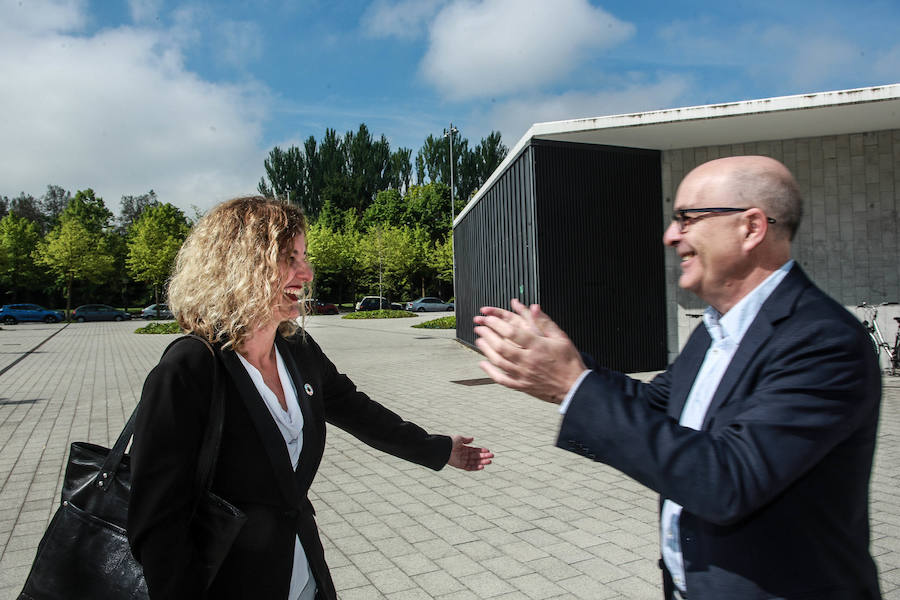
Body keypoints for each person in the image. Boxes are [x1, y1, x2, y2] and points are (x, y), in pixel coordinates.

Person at [473, 156, 881, 599]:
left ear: (751, 227)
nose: (671, 236)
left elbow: (728, 481)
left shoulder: (822, 340)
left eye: (687, 219)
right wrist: (566, 368)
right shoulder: (717, 328)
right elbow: (656, 406)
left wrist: (573, 385)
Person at [128, 196, 493, 600]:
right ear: (239, 266)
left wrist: (439, 449)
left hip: (303, 575)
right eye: (289, 257)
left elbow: (357, 410)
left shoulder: (297, 349)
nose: (308, 272)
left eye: (304, 256)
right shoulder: (190, 369)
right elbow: (157, 522)